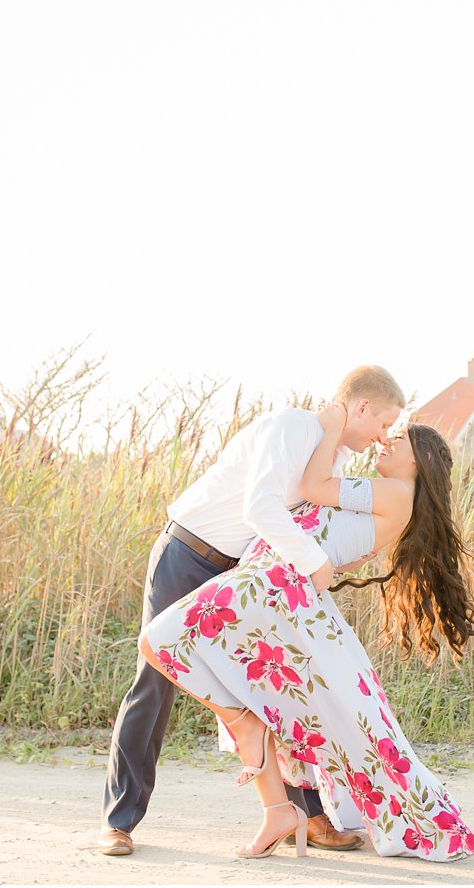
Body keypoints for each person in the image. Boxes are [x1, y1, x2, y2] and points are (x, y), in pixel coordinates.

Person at [137, 403, 474, 861]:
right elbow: (325, 518)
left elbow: (311, 487)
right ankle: (277, 806)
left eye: (399, 437)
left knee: (159, 640)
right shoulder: (393, 495)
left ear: (420, 460)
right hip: (276, 583)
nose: (387, 439)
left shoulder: (397, 491)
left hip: (273, 583)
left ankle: (247, 731)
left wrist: (335, 426)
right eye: (385, 427)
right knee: (250, 687)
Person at [96, 366, 406, 856]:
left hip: (242, 574)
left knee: (278, 683)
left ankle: (307, 815)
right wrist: (316, 562)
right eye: (384, 423)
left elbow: (314, 516)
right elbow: (261, 508)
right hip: (188, 552)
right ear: (362, 407)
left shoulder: (334, 458)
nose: (383, 436)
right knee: (155, 683)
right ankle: (119, 821)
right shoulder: (293, 427)